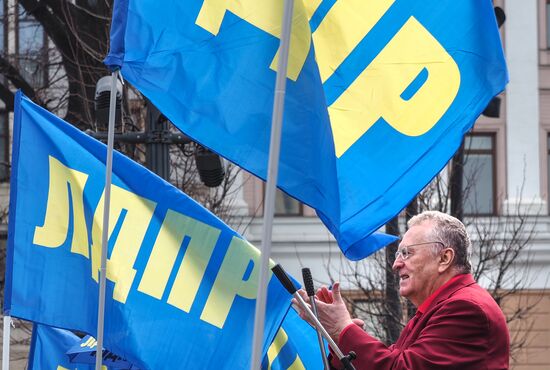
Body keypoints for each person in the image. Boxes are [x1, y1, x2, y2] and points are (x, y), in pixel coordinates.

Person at [294, 211, 510, 370]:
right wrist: (337, 336)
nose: (396, 264)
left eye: (406, 253)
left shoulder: (465, 308)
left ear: (444, 258)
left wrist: (344, 330)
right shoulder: (438, 309)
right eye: (398, 254)